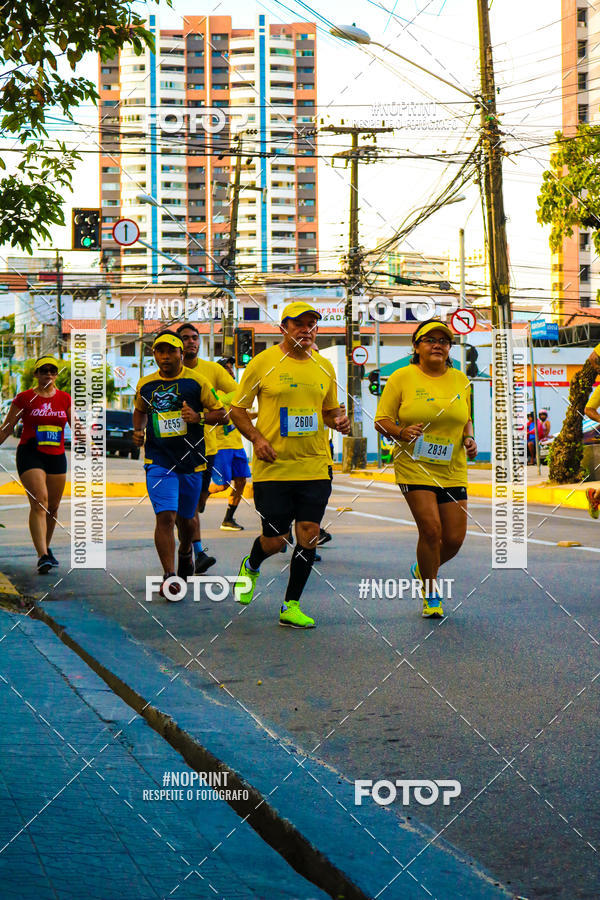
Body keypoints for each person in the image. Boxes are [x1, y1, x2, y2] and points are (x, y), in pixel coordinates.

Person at [229, 301, 350, 629]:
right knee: (276, 540)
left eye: (312, 325)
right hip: (274, 467)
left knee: (309, 534)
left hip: (314, 465)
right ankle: (252, 564)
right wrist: (257, 439)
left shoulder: (324, 366)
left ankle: (291, 605)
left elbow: (328, 411)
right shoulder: (262, 363)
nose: (306, 330)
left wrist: (338, 421)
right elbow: (237, 410)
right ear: (283, 328)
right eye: (299, 324)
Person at [374, 319, 477, 618]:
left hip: (452, 466)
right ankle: (431, 593)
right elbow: (381, 420)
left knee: (455, 539)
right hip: (414, 465)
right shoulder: (401, 377)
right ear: (416, 347)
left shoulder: (460, 380)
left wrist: (469, 438)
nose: (437, 345)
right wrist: (401, 432)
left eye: (443, 341)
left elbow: (465, 418)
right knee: (431, 530)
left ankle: (422, 569)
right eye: (429, 340)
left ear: (449, 349)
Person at [132, 332, 224, 597]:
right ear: (154, 355)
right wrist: (137, 431)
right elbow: (139, 410)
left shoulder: (197, 381)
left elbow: (223, 415)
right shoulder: (146, 385)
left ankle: (186, 551)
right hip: (159, 461)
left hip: (192, 462)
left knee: (187, 522)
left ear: (181, 354)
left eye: (171, 352)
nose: (165, 357)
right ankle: (169, 576)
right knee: (165, 517)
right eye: (160, 352)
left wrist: (198, 416)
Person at [0, 356, 71, 574]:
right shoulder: (24, 399)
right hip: (31, 453)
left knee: (53, 507)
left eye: (52, 370)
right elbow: (6, 428)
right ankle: (42, 556)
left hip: (56, 455)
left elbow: (76, 427)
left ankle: (46, 550)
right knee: (40, 500)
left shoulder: (65, 399)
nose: (48, 374)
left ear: (56, 374)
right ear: (36, 374)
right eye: (43, 370)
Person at [175, 323, 237, 571]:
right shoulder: (169, 372)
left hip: (207, 448)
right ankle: (195, 554)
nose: (191, 342)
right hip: (177, 449)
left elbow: (237, 392)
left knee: (197, 505)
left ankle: (188, 549)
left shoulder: (211, 370)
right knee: (187, 508)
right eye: (186, 338)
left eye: (194, 338)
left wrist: (211, 403)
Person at [208, 356, 252, 531]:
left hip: (237, 445)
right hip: (220, 446)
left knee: (241, 481)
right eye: (227, 368)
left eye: (232, 368)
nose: (231, 372)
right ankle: (196, 495)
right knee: (222, 484)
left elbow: (239, 415)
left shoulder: (235, 392)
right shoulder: (214, 394)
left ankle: (228, 518)